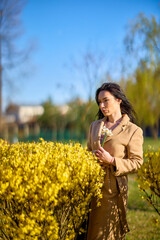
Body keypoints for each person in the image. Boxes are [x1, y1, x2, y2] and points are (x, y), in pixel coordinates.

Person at [87, 82, 143, 240]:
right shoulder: (94, 126)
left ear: (119, 100)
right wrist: (92, 156)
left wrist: (112, 160)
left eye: (106, 100)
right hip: (91, 187)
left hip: (113, 190)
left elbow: (137, 162)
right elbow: (87, 152)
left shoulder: (133, 130)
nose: (102, 105)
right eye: (99, 102)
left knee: (107, 234)